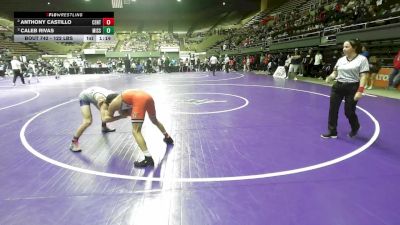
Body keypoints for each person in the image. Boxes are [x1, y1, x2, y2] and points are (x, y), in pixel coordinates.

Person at [103, 89, 173, 168]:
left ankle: (148, 159)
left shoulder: (113, 104)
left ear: (109, 102)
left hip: (139, 100)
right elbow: (132, 112)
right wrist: (123, 114)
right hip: (148, 97)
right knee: (154, 120)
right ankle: (168, 137)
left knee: (136, 131)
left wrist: (119, 116)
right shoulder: (123, 99)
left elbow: (105, 119)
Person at [322, 39, 369, 139]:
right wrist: (330, 77)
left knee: (349, 112)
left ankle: (355, 126)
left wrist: (360, 91)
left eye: (347, 47)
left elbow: (364, 76)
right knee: (333, 109)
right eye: (343, 47)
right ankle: (332, 131)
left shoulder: (362, 59)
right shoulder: (341, 60)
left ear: (354, 48)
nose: (344, 49)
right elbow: (335, 72)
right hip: (338, 86)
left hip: (352, 87)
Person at [69, 87, 120, 152]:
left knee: (107, 111)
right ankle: (73, 142)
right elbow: (104, 118)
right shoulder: (102, 99)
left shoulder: (118, 98)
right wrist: (121, 116)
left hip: (95, 93)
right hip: (85, 96)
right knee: (87, 121)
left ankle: (104, 127)